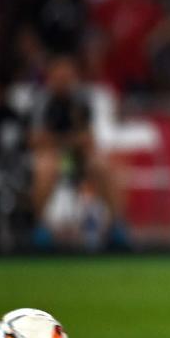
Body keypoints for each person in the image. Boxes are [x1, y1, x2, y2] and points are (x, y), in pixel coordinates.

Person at [30, 54, 128, 249]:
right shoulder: (42, 102)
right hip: (53, 157)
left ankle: (116, 225)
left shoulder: (82, 101)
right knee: (45, 167)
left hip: (77, 158)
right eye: (59, 76)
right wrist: (67, 141)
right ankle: (40, 227)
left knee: (103, 166)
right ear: (51, 77)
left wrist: (62, 141)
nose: (64, 81)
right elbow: (36, 140)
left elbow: (89, 140)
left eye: (67, 76)